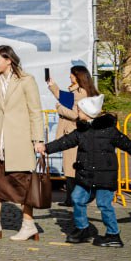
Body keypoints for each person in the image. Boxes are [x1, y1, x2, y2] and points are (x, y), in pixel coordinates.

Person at [42, 94, 131, 248]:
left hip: (105, 175)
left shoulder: (109, 130)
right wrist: (47, 148)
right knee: (77, 198)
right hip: (85, 175)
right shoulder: (81, 130)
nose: (77, 111)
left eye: (79, 109)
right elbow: (65, 142)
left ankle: (113, 234)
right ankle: (83, 229)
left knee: (104, 204)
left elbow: (126, 142)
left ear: (87, 112)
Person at [0, 45, 45, 241]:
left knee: (24, 185)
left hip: (20, 141)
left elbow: (35, 111)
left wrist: (38, 140)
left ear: (9, 60)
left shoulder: (26, 80)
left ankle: (28, 225)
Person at [46, 64, 98, 207]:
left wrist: (59, 108)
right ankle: (71, 198)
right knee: (70, 167)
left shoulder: (81, 93)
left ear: (78, 76)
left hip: (72, 132)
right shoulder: (80, 91)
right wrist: (52, 85)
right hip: (73, 132)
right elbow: (64, 97)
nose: (70, 76)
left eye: (72, 75)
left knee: (71, 167)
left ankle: (74, 198)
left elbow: (75, 114)